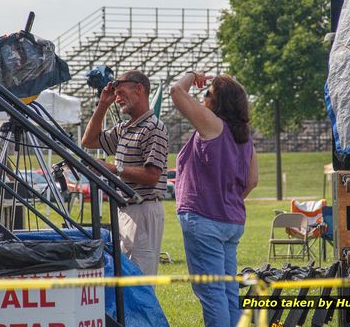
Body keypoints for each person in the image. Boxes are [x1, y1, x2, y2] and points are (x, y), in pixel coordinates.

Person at [170, 71, 258, 327]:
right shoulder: (245, 137)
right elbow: (252, 181)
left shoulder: (213, 124)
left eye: (208, 94)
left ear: (220, 103)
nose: (202, 97)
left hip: (204, 219)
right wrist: (227, 199)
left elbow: (177, 92)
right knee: (229, 291)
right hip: (231, 221)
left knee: (211, 293)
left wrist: (192, 76)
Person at [81, 70, 168, 276]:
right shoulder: (125, 128)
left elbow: (152, 176)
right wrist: (103, 104)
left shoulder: (153, 127)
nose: (117, 98)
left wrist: (113, 169)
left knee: (140, 278)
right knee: (129, 275)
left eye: (121, 93)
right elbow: (89, 141)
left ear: (139, 89)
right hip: (128, 208)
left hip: (142, 208)